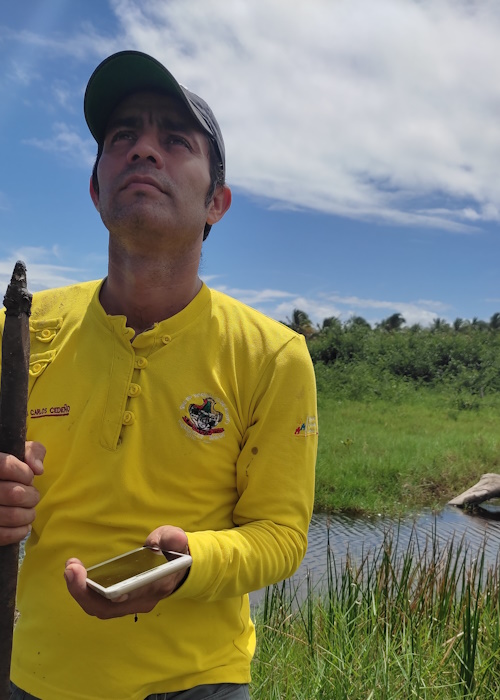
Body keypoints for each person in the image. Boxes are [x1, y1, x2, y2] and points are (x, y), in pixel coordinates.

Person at [0, 51, 318, 700]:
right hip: (35, 674)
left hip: (198, 682)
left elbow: (281, 535)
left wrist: (192, 564)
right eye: (123, 136)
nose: (144, 149)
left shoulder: (273, 354)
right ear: (96, 189)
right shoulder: (20, 330)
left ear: (216, 202)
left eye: (175, 140)